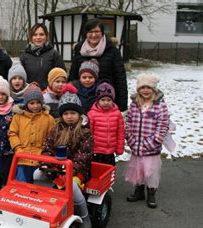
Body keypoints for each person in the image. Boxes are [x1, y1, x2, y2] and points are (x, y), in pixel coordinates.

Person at [39, 91, 93, 228]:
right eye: (66, 113)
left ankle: (84, 215)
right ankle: (43, 206)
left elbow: (84, 156)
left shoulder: (85, 132)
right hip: (57, 168)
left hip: (77, 170)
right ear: (62, 115)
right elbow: (47, 148)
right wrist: (46, 164)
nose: (69, 117)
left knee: (72, 186)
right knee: (36, 175)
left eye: (73, 113)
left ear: (79, 114)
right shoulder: (56, 129)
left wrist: (69, 170)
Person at [125, 73, 169, 208]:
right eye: (142, 87)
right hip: (136, 146)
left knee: (150, 172)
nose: (145, 90)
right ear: (138, 89)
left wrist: (154, 141)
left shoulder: (159, 106)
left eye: (148, 88)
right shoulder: (134, 104)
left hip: (151, 148)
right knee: (138, 170)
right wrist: (130, 138)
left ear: (154, 89)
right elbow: (128, 121)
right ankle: (139, 192)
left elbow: (163, 126)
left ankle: (151, 194)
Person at [68, 18, 128, 112]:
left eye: (97, 31)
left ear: (102, 33)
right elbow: (73, 77)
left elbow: (120, 79)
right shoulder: (79, 51)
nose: (93, 35)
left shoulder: (112, 51)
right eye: (90, 32)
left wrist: (122, 106)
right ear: (86, 33)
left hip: (106, 101)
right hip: (82, 100)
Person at [8, 83, 55, 183]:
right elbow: (12, 133)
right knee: (21, 185)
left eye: (38, 102)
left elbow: (52, 137)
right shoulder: (18, 117)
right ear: (26, 104)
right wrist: (17, 148)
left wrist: (45, 152)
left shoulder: (48, 119)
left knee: (38, 188)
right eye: (32, 103)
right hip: (22, 157)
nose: (35, 106)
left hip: (40, 159)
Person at [87, 82, 124, 165]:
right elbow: (89, 133)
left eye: (109, 100)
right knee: (97, 172)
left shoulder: (117, 114)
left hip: (110, 151)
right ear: (98, 100)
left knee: (109, 172)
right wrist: (89, 148)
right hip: (96, 150)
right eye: (103, 100)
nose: (106, 103)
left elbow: (120, 132)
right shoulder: (92, 114)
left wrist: (119, 148)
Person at [20, 23, 65, 88]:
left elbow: (62, 76)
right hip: (30, 94)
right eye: (35, 35)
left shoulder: (54, 54)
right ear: (31, 37)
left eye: (41, 34)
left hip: (50, 94)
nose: (38, 37)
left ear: (46, 36)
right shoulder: (24, 56)